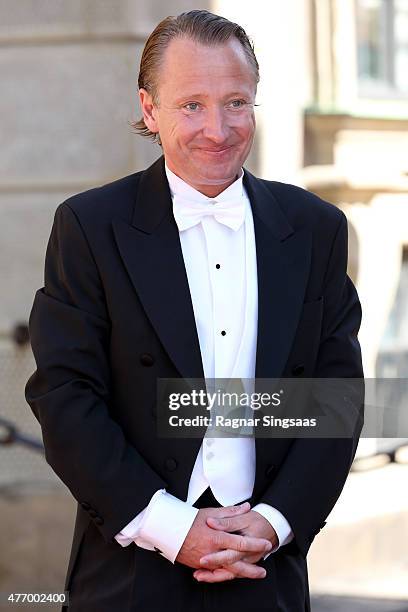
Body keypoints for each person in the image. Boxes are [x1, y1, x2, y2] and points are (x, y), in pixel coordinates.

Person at [25, 9, 364, 612]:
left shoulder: (316, 229)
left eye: (236, 102)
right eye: (191, 105)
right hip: (130, 572)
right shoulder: (89, 226)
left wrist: (276, 521)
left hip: (267, 573)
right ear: (150, 109)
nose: (217, 128)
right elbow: (65, 396)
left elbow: (335, 399)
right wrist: (173, 530)